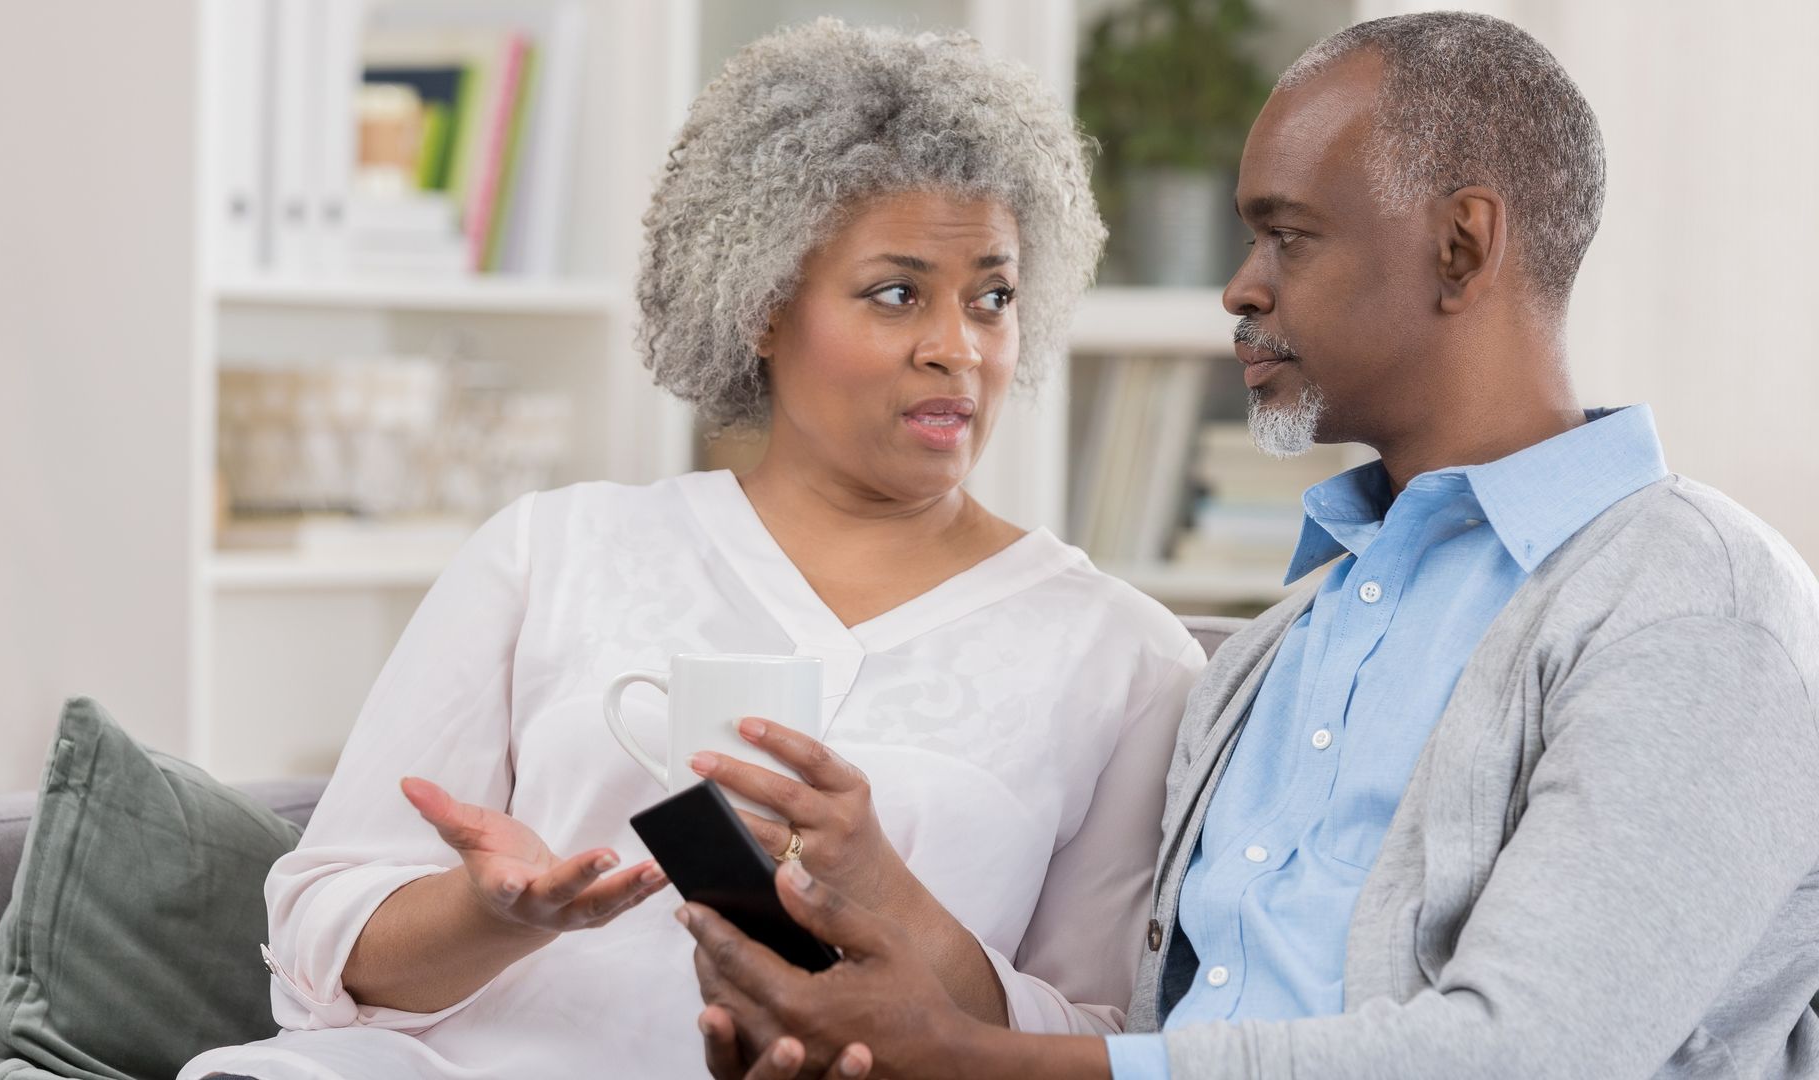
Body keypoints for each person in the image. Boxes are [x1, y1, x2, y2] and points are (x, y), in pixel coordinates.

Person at [682, 12, 1819, 1080]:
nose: (1239, 286)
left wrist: (972, 1061)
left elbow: (1530, 1053)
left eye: (1289, 236)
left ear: (1462, 246)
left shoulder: (1689, 602)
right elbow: (1163, 1034)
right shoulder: (1280, 649)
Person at [182, 18, 1207, 1080]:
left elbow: (1099, 1043)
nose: (959, 349)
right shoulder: (551, 552)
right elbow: (321, 946)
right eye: (897, 294)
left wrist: (888, 897)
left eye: (992, 298)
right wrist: (493, 914)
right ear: (762, 307)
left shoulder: (1126, 659)